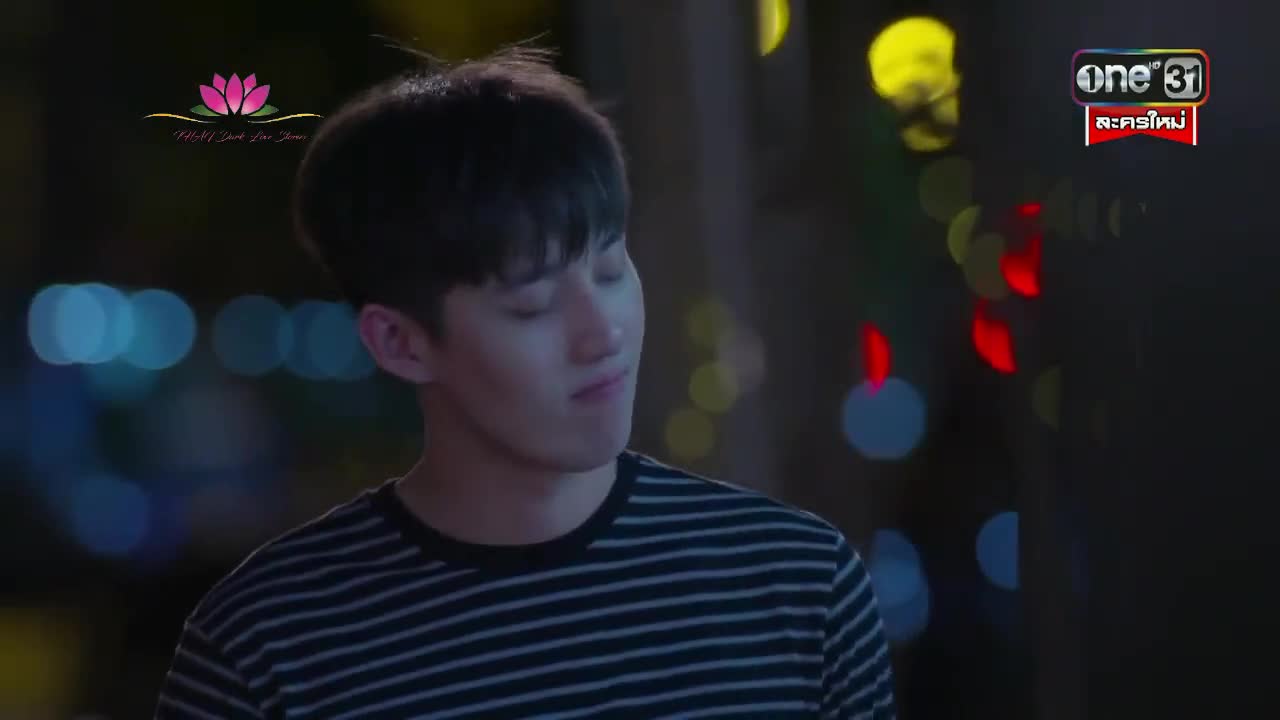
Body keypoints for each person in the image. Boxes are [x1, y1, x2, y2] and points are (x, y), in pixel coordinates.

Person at [156, 48, 896, 719]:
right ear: (399, 342)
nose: (602, 333)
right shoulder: (265, 650)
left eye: (610, 271)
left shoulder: (800, 586)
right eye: (532, 305)